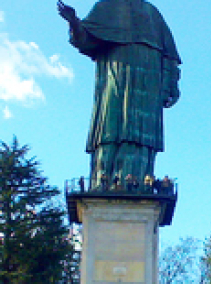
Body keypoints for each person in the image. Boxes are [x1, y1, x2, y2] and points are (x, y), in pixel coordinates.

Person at [57, 0, 181, 189]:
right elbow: (85, 40)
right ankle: (104, 181)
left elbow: (170, 56)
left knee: (142, 135)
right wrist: (74, 22)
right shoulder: (106, 6)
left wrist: (170, 84)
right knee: (110, 127)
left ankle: (138, 181)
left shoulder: (152, 13)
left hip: (149, 84)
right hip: (115, 77)